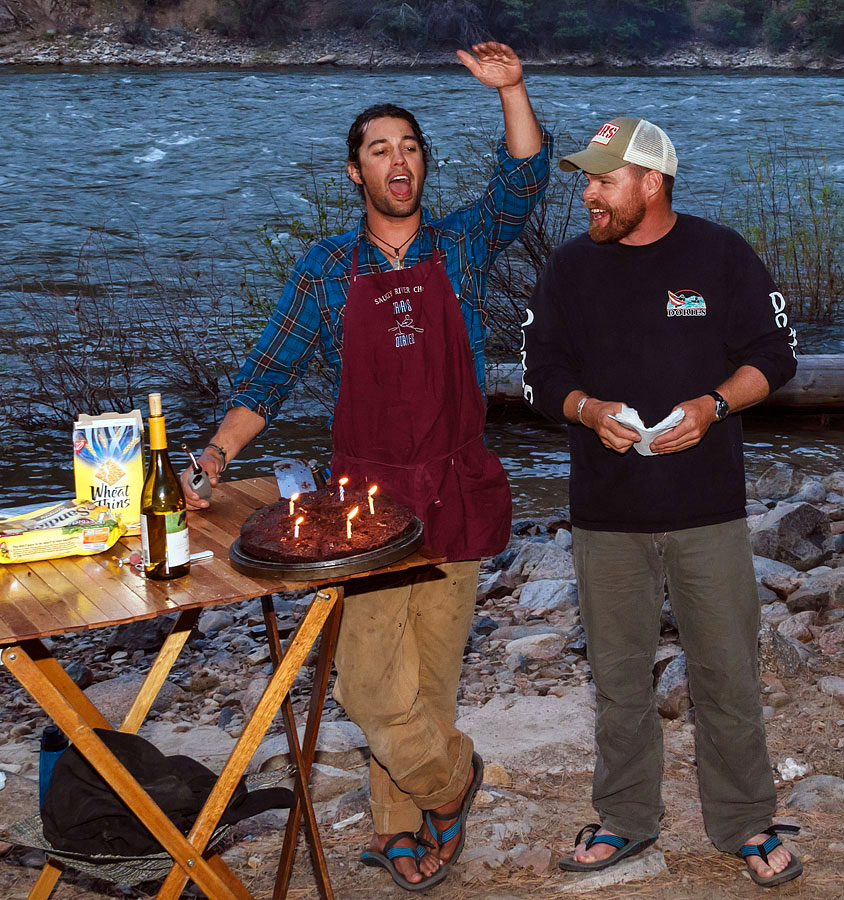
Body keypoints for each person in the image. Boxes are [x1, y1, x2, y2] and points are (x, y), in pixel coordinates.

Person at [183, 43, 550, 891]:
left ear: (424, 165)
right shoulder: (323, 270)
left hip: (454, 484)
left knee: (430, 677)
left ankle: (399, 828)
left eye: (411, 147)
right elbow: (268, 376)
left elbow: (523, 182)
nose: (399, 161)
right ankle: (453, 781)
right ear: (356, 174)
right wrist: (212, 456)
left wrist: (514, 90)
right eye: (381, 149)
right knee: (368, 687)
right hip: (366, 504)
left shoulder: (461, 246)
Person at [520, 117, 801, 889]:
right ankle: (624, 819)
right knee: (617, 679)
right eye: (588, 179)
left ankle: (745, 822)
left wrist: (714, 404)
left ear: (651, 183)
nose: (588, 194)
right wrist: (586, 409)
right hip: (606, 513)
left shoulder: (721, 254)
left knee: (726, 675)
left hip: (707, 508)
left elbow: (775, 356)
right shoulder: (571, 268)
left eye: (604, 180)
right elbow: (537, 372)